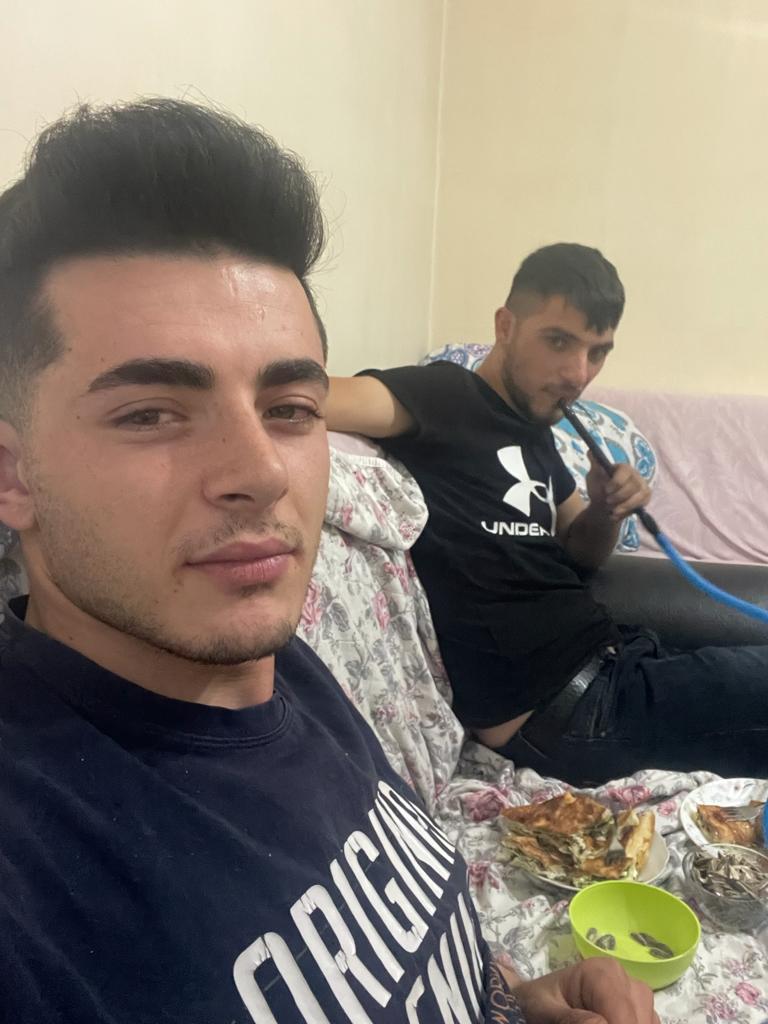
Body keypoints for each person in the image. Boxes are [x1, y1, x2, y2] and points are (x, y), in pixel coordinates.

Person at [0, 101, 655, 1024]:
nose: (263, 473)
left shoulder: (286, 668)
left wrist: (516, 1004)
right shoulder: (33, 885)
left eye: (291, 410)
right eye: (150, 413)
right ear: (12, 475)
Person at [327, 243, 768, 786]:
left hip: (614, 666)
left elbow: (583, 550)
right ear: (505, 326)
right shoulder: (442, 395)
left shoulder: (535, 432)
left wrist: (606, 507)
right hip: (568, 714)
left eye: (597, 352)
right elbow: (312, 395)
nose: (577, 374)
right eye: (558, 341)